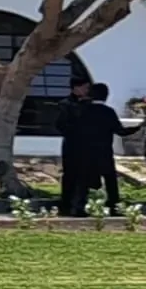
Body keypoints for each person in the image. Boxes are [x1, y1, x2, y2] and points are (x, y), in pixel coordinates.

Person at [55, 65, 126, 218]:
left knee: (83, 178)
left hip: (86, 149)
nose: (88, 92)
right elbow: (62, 126)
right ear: (76, 88)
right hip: (74, 147)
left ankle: (79, 206)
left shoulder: (86, 107)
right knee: (72, 177)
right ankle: (69, 206)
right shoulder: (67, 104)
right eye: (86, 88)